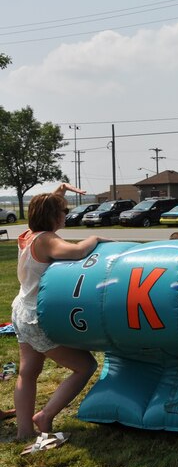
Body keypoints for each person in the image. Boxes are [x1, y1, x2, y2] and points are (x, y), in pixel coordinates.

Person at [12, 183, 109, 451]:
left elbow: (49, 204)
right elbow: (77, 252)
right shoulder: (46, 240)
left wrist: (61, 190)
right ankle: (45, 416)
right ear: (54, 216)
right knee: (85, 366)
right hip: (36, 317)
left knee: (28, 372)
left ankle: (23, 430)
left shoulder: (28, 235)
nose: (65, 215)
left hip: (21, 310)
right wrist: (96, 239)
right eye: (63, 212)